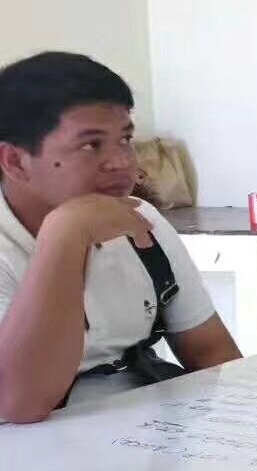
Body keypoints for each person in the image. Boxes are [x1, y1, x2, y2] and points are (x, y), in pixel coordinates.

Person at [0, 52, 241, 423]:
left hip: (146, 430)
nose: (121, 162)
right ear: (15, 162)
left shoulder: (141, 220)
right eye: (90, 144)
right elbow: (19, 404)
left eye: (125, 139)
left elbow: (211, 353)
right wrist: (66, 233)